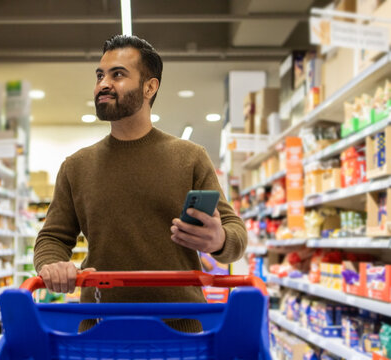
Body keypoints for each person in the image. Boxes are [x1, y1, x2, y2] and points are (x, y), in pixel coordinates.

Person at [33, 34, 247, 332]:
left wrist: (219, 240)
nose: (103, 84)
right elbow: (52, 238)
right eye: (100, 75)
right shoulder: (76, 166)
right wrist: (52, 264)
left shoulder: (190, 157)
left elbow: (236, 233)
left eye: (117, 74)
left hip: (179, 331)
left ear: (150, 86)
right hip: (100, 328)